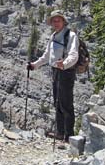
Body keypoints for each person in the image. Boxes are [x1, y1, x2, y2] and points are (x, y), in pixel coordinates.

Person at [27, 10, 79, 143]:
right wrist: (35, 65)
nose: (56, 23)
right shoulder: (53, 36)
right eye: (53, 21)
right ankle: (60, 133)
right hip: (56, 71)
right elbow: (46, 56)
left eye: (58, 20)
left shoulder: (71, 35)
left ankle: (69, 136)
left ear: (63, 21)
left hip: (66, 72)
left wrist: (64, 64)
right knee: (57, 102)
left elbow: (74, 55)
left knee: (66, 103)